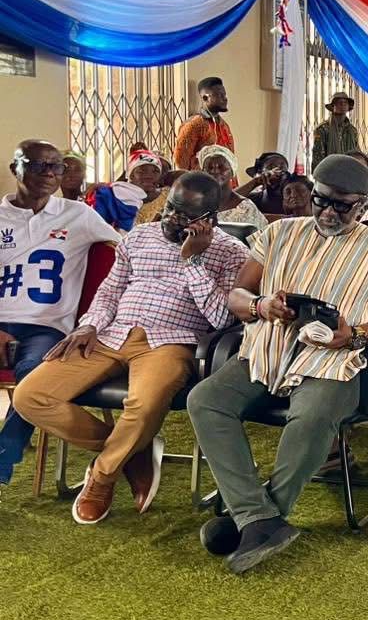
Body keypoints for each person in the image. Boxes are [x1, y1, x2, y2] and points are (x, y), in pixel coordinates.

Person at [186, 156, 368, 573]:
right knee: (205, 399)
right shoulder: (278, 233)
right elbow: (237, 295)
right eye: (321, 201)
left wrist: (357, 335)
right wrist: (262, 305)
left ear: (363, 204)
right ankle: (258, 517)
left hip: (336, 360)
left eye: (342, 206)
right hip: (266, 352)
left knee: (312, 416)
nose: (329, 212)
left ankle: (254, 518)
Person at [14, 172, 248, 524]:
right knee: (29, 396)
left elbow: (220, 319)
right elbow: (109, 291)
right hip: (110, 334)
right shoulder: (139, 236)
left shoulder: (231, 253)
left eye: (185, 216)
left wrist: (193, 261)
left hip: (170, 342)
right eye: (170, 209)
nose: (171, 219)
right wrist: (89, 324)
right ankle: (132, 450)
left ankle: (103, 475)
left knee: (142, 407)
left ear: (209, 220)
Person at [0, 141, 118, 493]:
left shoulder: (79, 215)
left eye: (57, 167)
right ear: (15, 169)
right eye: (38, 165)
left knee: (34, 372)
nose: (50, 174)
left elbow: (125, 253)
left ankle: (3, 461)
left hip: (47, 326)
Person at [198, 146, 268, 230]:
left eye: (221, 167)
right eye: (209, 168)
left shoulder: (246, 209)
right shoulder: (195, 205)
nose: (215, 171)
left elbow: (260, 240)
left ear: (232, 172)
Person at [174, 77, 235, 172]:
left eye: (225, 95)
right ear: (205, 98)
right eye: (220, 95)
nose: (225, 99)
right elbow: (181, 162)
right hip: (203, 184)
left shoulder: (224, 125)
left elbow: (231, 161)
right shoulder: (194, 124)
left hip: (226, 184)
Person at [310, 92, 359, 169]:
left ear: (348, 106)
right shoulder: (323, 129)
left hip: (349, 171)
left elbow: (357, 153)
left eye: (345, 102)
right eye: (339, 102)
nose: (343, 104)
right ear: (333, 107)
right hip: (330, 172)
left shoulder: (353, 130)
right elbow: (318, 155)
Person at [130, 151, 166, 226]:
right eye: (142, 171)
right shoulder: (119, 202)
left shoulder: (168, 197)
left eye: (155, 171)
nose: (149, 176)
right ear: (131, 176)